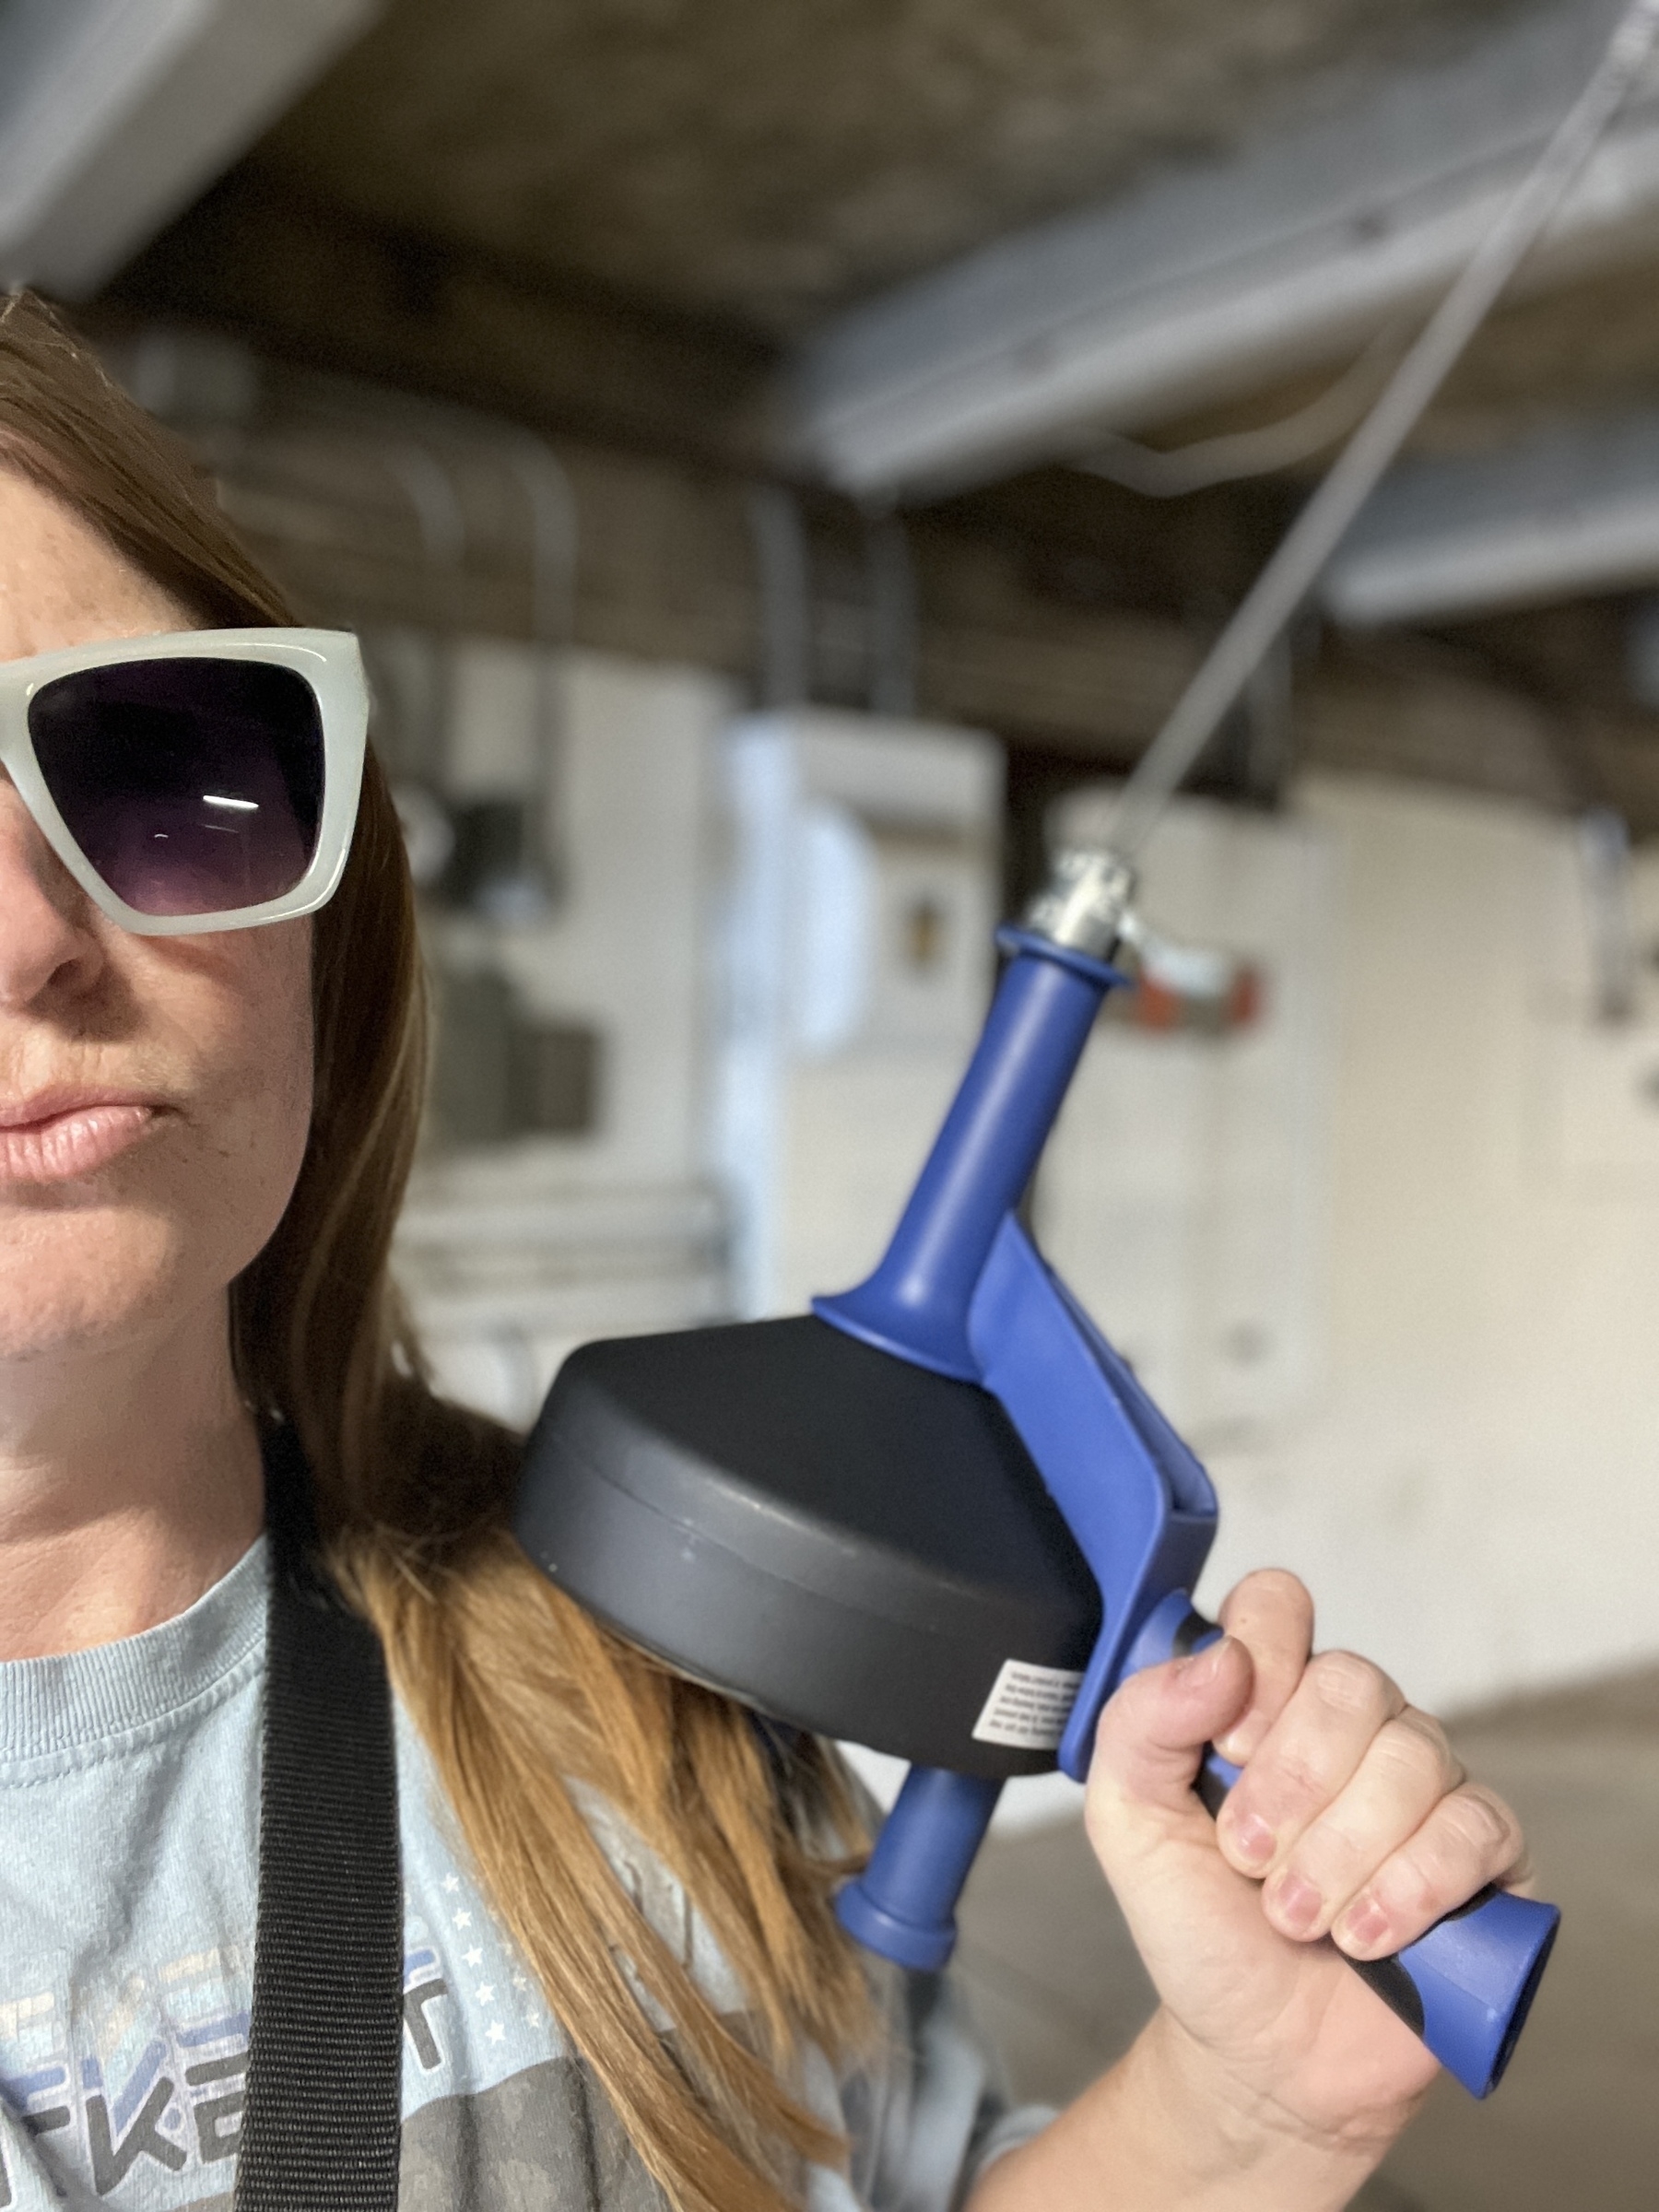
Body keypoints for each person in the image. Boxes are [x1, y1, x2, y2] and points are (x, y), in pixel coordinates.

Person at [0, 288, 1530, 2212]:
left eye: (156, 767)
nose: (28, 933)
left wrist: (1248, 2118)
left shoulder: (631, 1677)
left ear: (331, 907)